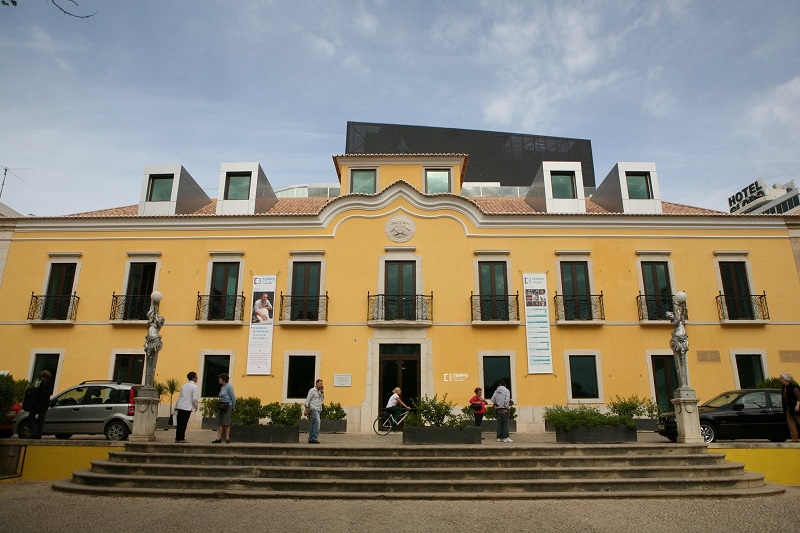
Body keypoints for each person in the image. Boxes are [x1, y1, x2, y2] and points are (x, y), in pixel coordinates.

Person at [174, 371, 200, 443]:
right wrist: (196, 406)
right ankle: (181, 438)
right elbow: (194, 399)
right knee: (184, 423)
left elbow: (180, 396)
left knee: (179, 423)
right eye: (196, 376)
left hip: (180, 405)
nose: (197, 378)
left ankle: (177, 437)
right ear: (193, 378)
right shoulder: (194, 387)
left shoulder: (184, 386)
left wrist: (176, 406)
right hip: (187, 407)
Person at [213, 373, 236, 444]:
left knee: (226, 422)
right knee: (220, 422)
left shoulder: (229, 387)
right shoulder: (222, 387)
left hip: (227, 405)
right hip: (221, 405)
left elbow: (233, 397)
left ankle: (227, 438)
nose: (219, 380)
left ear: (224, 380)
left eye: (220, 379)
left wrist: (233, 406)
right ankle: (219, 438)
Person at [31, 370, 54, 439]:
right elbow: (50, 393)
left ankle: (35, 432)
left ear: (42, 376)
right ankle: (39, 434)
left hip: (39, 403)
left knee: (31, 417)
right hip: (46, 404)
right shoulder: (51, 383)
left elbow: (39, 392)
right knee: (41, 419)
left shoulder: (42, 383)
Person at [779, 373, 800, 443]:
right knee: (791, 425)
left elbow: (799, 397)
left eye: (781, 379)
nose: (780, 380)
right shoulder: (784, 388)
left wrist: (797, 405)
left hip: (796, 409)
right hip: (788, 409)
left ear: (786, 379)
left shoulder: (794, 387)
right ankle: (794, 439)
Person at [305, 379, 324, 444]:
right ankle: (314, 438)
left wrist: (322, 392)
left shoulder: (319, 391)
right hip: (313, 408)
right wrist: (306, 408)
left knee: (314, 423)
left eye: (322, 384)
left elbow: (322, 400)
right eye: (320, 383)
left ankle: (310, 438)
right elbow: (308, 399)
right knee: (318, 422)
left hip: (319, 408)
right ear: (317, 384)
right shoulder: (312, 390)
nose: (321, 385)